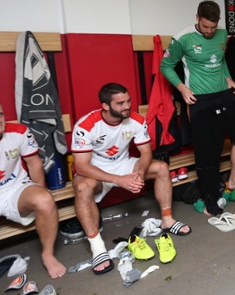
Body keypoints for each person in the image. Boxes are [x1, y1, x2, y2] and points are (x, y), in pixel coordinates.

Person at [72, 83, 191, 275]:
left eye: (128, 101)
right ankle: (98, 248)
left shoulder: (135, 119)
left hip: (123, 163)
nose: (127, 106)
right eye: (120, 103)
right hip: (95, 170)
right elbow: (82, 166)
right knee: (82, 187)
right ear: (105, 105)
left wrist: (138, 175)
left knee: (161, 168)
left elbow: (146, 152)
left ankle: (167, 220)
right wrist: (119, 180)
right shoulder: (86, 125)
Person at [160, 0, 235, 215]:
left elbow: (221, 61)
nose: (210, 31)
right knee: (207, 152)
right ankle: (210, 198)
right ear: (197, 18)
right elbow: (165, 65)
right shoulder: (182, 38)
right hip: (200, 100)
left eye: (213, 27)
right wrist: (182, 88)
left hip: (224, 94)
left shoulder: (222, 34)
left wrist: (229, 79)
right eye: (205, 27)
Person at [0, 93, 66, 279]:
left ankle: (48, 255)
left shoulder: (18, 132)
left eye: (0, 114)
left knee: (44, 200)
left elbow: (34, 163)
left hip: (15, 189)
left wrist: (40, 193)